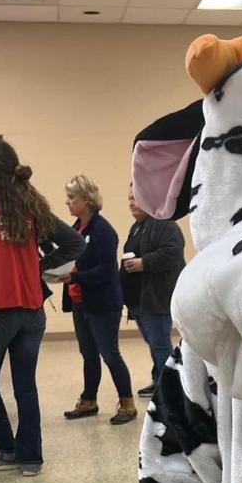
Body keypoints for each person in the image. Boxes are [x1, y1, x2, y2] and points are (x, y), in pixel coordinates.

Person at [0, 139, 85, 476]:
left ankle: (5, 450)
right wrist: (39, 265)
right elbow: (75, 242)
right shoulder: (29, 203)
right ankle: (31, 459)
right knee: (26, 386)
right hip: (32, 310)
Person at [58, 175, 135, 425]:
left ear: (86, 199)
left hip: (103, 303)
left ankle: (127, 403)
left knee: (109, 353)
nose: (67, 202)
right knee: (88, 354)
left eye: (72, 197)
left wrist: (74, 276)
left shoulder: (103, 230)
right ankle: (89, 400)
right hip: (80, 302)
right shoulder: (75, 229)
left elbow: (105, 270)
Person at [121, 188, 185, 399]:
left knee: (160, 344)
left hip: (158, 297)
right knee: (153, 342)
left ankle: (171, 388)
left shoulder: (165, 224)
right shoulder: (137, 227)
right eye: (129, 198)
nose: (132, 203)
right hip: (140, 299)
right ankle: (159, 379)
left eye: (136, 198)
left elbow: (172, 252)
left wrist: (144, 263)